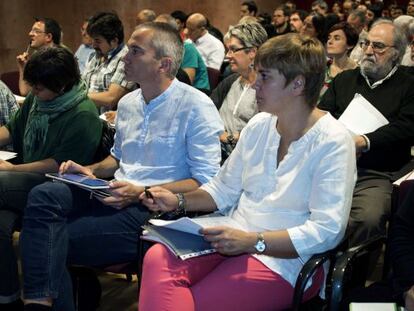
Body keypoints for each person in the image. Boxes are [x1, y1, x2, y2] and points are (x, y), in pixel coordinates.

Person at [138, 33, 356, 311]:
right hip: (234, 234)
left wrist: (254, 242)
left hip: (287, 260)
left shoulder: (334, 140)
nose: (254, 84)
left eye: (265, 77)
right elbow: (222, 188)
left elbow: (327, 231)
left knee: (192, 302)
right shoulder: (259, 125)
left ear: (297, 84)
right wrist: (178, 201)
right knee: (157, 257)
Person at [20, 22, 223, 311]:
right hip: (114, 190)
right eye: (127, 49)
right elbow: (117, 160)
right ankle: (42, 300)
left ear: (163, 64)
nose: (125, 57)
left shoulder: (196, 106)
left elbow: (205, 181)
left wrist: (142, 191)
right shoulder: (128, 103)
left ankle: (41, 302)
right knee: (44, 195)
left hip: (156, 208)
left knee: (47, 240)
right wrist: (91, 170)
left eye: (135, 51)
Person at [0, 46, 102, 311]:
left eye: (40, 88)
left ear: (62, 85)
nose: (33, 92)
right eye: (32, 86)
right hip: (24, 181)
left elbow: (60, 166)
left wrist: (10, 170)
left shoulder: (83, 114)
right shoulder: (38, 99)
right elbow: (12, 130)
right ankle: (8, 298)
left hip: (53, 186)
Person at [319, 19, 414, 247]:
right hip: (331, 164)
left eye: (378, 46)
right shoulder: (344, 80)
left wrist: (364, 141)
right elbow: (322, 117)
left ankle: (348, 276)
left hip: (376, 172)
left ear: (396, 53)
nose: (369, 51)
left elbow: (407, 127)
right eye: (366, 44)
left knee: (368, 218)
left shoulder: (409, 85)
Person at [210, 22, 267, 159]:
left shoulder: (267, 88)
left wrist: (229, 138)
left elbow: (264, 130)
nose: (228, 55)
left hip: (245, 159)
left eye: (233, 49)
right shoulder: (231, 80)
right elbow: (207, 110)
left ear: (252, 52)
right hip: (215, 152)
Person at [83, 12, 136, 113]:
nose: (93, 45)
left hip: (109, 123)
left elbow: (111, 98)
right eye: (93, 40)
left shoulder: (126, 59)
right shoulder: (94, 56)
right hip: (87, 115)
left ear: (114, 41)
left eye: (98, 41)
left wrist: (77, 98)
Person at [16, 17, 62, 96]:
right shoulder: (37, 57)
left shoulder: (59, 59)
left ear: (48, 37)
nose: (30, 34)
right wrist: (23, 67)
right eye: (31, 30)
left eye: (36, 31)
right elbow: (25, 92)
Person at [321, 22, 358, 96]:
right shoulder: (321, 66)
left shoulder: (357, 74)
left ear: (350, 45)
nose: (330, 42)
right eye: (329, 38)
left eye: (336, 38)